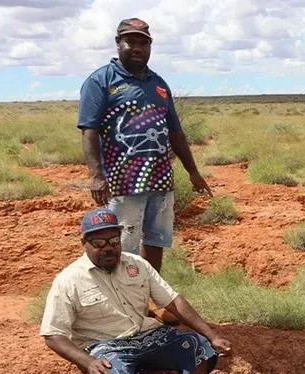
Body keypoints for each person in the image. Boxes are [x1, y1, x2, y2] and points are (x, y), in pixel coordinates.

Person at [41, 208, 232, 374]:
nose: (108, 249)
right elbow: (52, 334)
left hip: (147, 335)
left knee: (199, 347)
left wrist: (211, 334)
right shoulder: (68, 281)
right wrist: (88, 361)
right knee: (115, 372)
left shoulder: (136, 265)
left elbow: (173, 301)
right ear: (84, 243)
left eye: (113, 241)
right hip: (106, 344)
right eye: (98, 243)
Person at [78, 17, 212, 273]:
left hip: (161, 178)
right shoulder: (101, 81)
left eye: (144, 43)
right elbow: (89, 130)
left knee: (156, 240)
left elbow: (175, 131)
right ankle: (122, 298)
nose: (138, 48)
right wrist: (96, 175)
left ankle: (150, 293)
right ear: (118, 43)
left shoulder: (159, 84)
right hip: (123, 180)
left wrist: (193, 171)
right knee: (121, 243)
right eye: (131, 42)